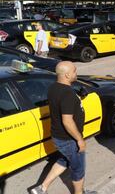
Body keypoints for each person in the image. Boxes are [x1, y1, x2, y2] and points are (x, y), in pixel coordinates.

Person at [30, 61, 96, 194]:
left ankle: (41, 188)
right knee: (78, 169)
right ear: (67, 75)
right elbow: (67, 121)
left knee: (64, 160)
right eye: (74, 71)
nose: (76, 73)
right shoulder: (67, 94)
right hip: (68, 139)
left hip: (59, 137)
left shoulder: (54, 87)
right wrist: (79, 140)